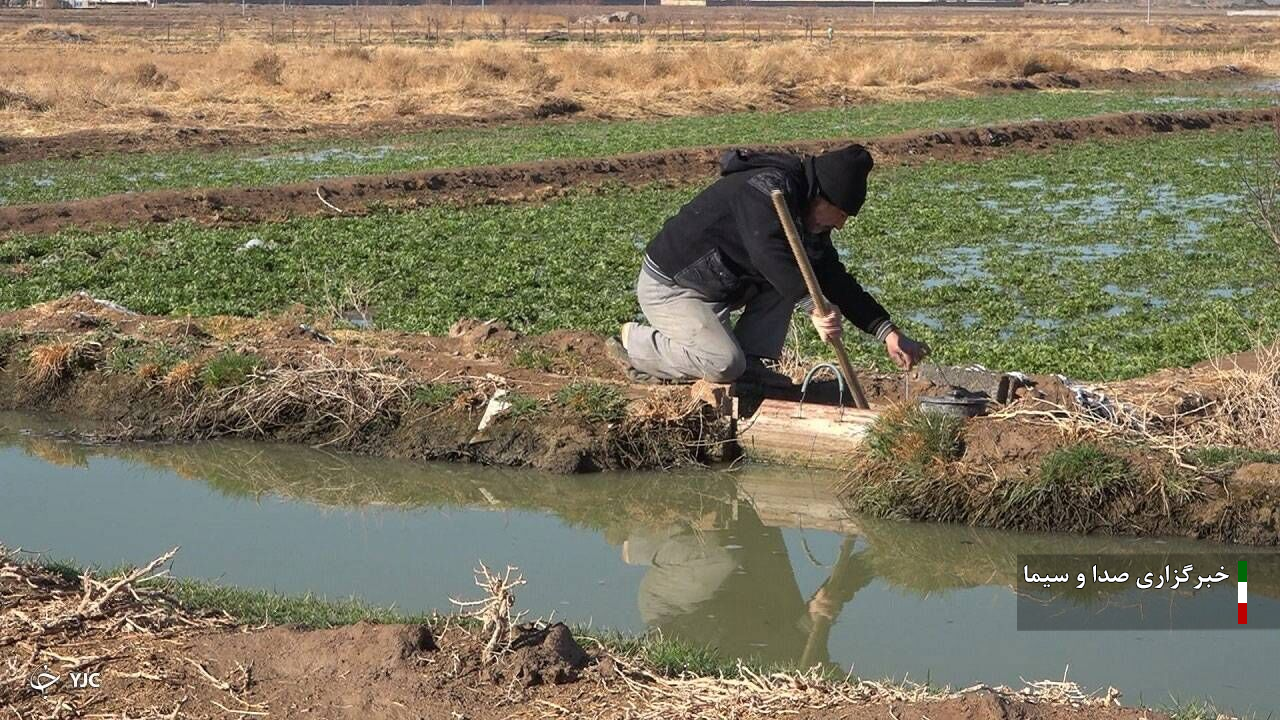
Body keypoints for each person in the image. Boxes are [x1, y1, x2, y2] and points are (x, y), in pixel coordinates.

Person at [609, 144, 928, 386]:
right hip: (672, 286)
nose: (841, 226)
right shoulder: (767, 190)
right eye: (842, 216)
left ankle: (753, 365)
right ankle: (634, 344)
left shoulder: (808, 215)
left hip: (719, 287)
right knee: (723, 364)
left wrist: (887, 333)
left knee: (799, 275)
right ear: (824, 199)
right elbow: (767, 252)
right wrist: (814, 309)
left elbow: (832, 277)